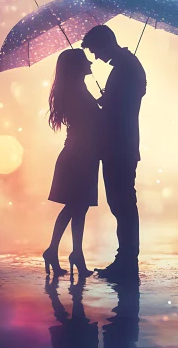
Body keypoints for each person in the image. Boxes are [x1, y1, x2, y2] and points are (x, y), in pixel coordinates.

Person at [81, 25, 146, 280]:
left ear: (106, 43)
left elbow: (121, 109)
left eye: (96, 51)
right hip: (121, 144)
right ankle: (126, 259)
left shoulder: (126, 69)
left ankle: (127, 262)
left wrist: (104, 104)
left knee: (123, 205)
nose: (95, 57)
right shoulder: (126, 67)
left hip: (120, 144)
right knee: (122, 204)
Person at [43, 49, 101, 278]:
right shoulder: (76, 91)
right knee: (76, 206)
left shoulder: (76, 89)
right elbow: (90, 122)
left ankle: (70, 252)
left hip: (81, 155)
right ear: (77, 66)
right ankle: (62, 252)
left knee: (78, 207)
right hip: (79, 156)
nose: (90, 62)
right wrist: (103, 106)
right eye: (85, 60)